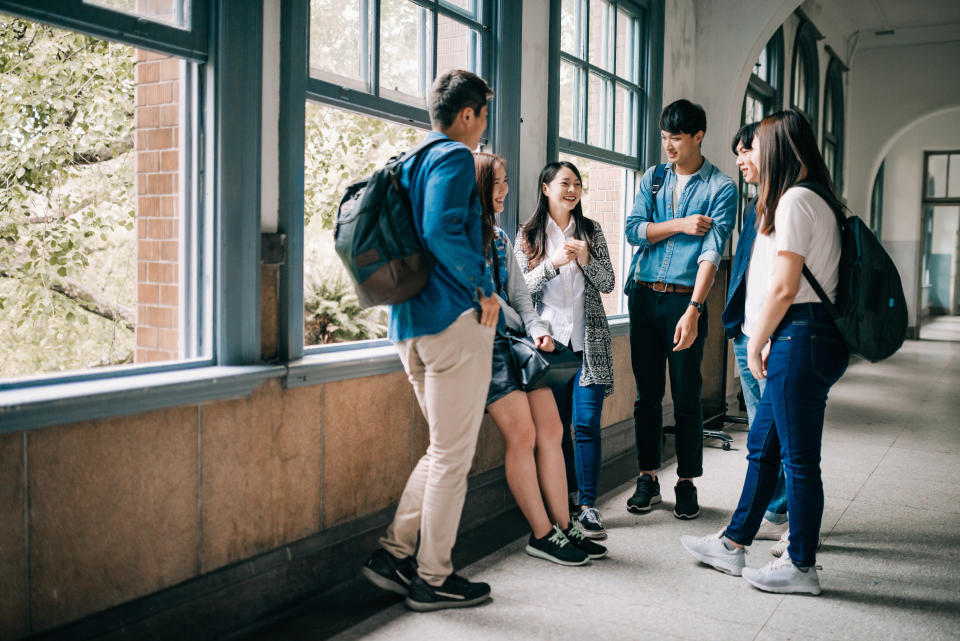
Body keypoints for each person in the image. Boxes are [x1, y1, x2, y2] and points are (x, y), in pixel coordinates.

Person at [681, 110, 850, 596]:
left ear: (776, 149)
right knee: (764, 448)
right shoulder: (812, 198)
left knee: (797, 460)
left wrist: (757, 340)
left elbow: (785, 286)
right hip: (804, 336)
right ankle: (733, 543)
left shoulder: (797, 200)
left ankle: (801, 566)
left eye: (753, 146)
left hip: (800, 336)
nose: (745, 155)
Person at [360, 69, 500, 612]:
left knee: (441, 450)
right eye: (483, 115)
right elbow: (443, 230)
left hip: (410, 327)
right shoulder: (453, 158)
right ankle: (433, 578)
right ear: (467, 114)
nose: (483, 126)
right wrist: (484, 287)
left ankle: (393, 556)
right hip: (451, 322)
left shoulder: (409, 160)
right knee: (452, 459)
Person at [474, 152, 607, 565]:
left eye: (505, 181)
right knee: (528, 436)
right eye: (497, 183)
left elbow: (516, 301)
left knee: (552, 430)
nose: (505, 189)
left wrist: (538, 331)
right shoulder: (469, 238)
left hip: (524, 345)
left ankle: (566, 526)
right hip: (489, 349)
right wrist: (550, 270)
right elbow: (497, 299)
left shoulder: (498, 238)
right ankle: (542, 533)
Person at [624, 99, 736, 519]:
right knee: (646, 395)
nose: (668, 145)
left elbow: (712, 250)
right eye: (664, 137)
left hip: (683, 300)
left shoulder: (720, 188)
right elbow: (634, 230)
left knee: (687, 395)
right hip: (643, 295)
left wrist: (693, 308)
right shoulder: (652, 179)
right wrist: (681, 224)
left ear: (698, 136)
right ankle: (647, 477)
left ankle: (687, 482)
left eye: (676, 138)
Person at [514, 161, 616, 540]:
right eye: (564, 183)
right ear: (546, 188)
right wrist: (553, 265)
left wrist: (587, 260)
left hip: (587, 344)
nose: (572, 190)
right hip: (548, 350)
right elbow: (519, 290)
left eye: (577, 184)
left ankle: (588, 507)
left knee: (586, 424)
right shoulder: (527, 234)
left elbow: (608, 283)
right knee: (554, 431)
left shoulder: (591, 230)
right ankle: (565, 500)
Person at [723, 123, 790, 548]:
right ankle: (776, 508)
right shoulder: (757, 205)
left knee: (779, 432)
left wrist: (765, 336)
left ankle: (784, 512)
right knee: (760, 429)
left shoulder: (788, 204)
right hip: (747, 333)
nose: (739, 160)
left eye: (745, 151)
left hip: (769, 337)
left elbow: (781, 284)